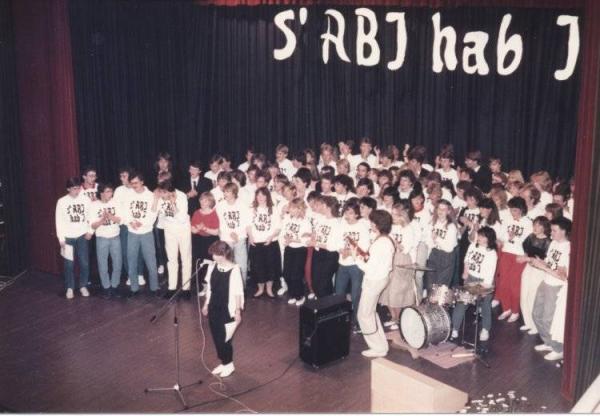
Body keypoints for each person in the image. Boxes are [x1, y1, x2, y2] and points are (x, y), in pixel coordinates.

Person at [353, 210, 395, 358]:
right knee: (370, 313)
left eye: (372, 222)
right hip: (378, 279)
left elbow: (369, 267)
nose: (370, 224)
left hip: (374, 280)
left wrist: (356, 258)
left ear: (377, 224)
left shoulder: (381, 243)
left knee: (364, 315)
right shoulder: (385, 239)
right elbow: (374, 261)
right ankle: (381, 345)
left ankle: (378, 348)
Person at [530, 217, 572, 361]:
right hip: (546, 281)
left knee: (548, 319)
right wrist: (540, 262)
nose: (551, 233)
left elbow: (562, 276)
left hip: (556, 286)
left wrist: (543, 267)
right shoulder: (553, 243)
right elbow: (550, 263)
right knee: (536, 314)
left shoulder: (568, 248)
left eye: (554, 230)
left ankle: (558, 349)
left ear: (564, 231)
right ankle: (548, 342)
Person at [202, 241, 245, 378]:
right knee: (216, 336)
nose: (213, 257)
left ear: (223, 254)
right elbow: (209, 288)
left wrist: (237, 311)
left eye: (216, 254)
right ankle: (224, 362)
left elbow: (238, 292)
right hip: (214, 305)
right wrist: (206, 304)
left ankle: (229, 364)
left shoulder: (235, 269)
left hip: (227, 308)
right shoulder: (212, 267)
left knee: (225, 338)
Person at [451, 226, 498, 341]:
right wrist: (465, 273)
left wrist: (484, 289)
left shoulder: (492, 253)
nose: (478, 238)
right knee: (462, 302)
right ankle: (455, 328)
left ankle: (485, 330)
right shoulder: (473, 246)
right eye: (479, 235)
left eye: (481, 236)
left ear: (488, 239)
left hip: (484, 281)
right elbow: (466, 259)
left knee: (485, 306)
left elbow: (490, 273)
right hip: (471, 278)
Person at [380, 203, 418, 330]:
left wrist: (393, 242)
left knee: (397, 291)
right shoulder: (391, 227)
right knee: (387, 290)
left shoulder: (409, 229)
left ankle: (399, 319)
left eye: (395, 215)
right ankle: (393, 317)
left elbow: (405, 249)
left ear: (402, 216)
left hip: (402, 260)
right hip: (390, 258)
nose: (392, 217)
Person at [495, 197, 533, 322]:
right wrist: (508, 237)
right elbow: (501, 236)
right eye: (511, 210)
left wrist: (514, 238)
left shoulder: (528, 223)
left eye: (515, 210)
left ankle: (515, 311)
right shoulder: (507, 219)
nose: (512, 213)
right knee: (503, 283)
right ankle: (506, 308)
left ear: (521, 209)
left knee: (514, 285)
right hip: (506, 252)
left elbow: (526, 241)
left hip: (519, 256)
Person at [153, 181, 192, 299]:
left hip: (183, 229)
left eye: (163, 193)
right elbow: (154, 211)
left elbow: (181, 218)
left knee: (185, 259)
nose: (161, 195)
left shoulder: (181, 196)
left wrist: (173, 203)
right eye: (160, 192)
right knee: (171, 259)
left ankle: (186, 288)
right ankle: (172, 288)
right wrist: (155, 199)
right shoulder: (161, 198)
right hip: (169, 229)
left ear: (170, 192)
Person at [123, 171, 160, 297]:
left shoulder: (150, 195)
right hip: (132, 232)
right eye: (132, 183)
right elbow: (125, 211)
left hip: (146, 233)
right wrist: (130, 222)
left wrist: (142, 223)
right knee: (132, 261)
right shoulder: (129, 195)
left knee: (151, 262)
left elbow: (154, 213)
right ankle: (134, 288)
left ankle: (154, 288)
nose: (134, 186)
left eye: (136, 183)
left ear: (142, 182)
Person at [55, 177, 93, 299]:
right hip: (68, 238)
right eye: (74, 189)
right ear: (68, 189)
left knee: (84, 263)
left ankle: (83, 285)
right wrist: (61, 238)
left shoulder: (86, 200)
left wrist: (90, 231)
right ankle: (70, 288)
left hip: (82, 236)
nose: (77, 191)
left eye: (78, 188)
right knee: (69, 265)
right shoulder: (62, 202)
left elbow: (91, 216)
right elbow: (59, 221)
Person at [335, 198, 370, 330]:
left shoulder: (362, 227)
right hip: (342, 264)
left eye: (350, 213)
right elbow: (336, 241)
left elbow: (364, 247)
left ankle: (356, 320)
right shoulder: (342, 225)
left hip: (356, 265)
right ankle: (340, 318)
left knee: (356, 295)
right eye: (346, 212)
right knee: (339, 293)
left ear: (356, 214)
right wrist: (341, 250)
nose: (347, 215)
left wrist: (349, 253)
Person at [518, 216, 551, 335]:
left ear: (544, 227)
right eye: (534, 225)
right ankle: (527, 322)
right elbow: (526, 249)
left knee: (533, 297)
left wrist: (528, 258)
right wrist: (525, 257)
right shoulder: (531, 237)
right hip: (529, 267)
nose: (535, 227)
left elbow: (546, 260)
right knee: (523, 296)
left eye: (538, 225)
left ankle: (535, 325)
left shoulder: (548, 242)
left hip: (539, 271)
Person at [247, 188, 282, 298]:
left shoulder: (273, 209)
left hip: (270, 243)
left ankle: (269, 289)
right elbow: (248, 225)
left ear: (267, 196)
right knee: (257, 267)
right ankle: (260, 289)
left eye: (263, 195)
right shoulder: (251, 209)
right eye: (258, 195)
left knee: (271, 267)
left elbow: (278, 227)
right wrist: (250, 236)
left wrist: (271, 237)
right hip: (256, 242)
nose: (260, 198)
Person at [90, 183, 122, 298]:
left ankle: (115, 286)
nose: (111, 194)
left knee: (117, 263)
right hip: (101, 238)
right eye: (108, 191)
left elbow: (121, 220)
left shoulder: (116, 203)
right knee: (102, 265)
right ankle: (106, 288)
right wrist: (102, 220)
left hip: (115, 237)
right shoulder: (94, 205)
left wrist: (110, 216)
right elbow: (93, 225)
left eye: (111, 191)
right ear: (101, 193)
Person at [216, 183, 251, 284]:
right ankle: (228, 286)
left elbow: (246, 222)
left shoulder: (242, 205)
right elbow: (221, 223)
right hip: (226, 238)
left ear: (234, 193)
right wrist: (230, 233)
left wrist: (237, 234)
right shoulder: (220, 205)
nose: (225, 194)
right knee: (227, 263)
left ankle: (242, 287)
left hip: (240, 238)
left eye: (227, 191)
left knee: (241, 264)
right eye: (224, 191)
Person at [309, 196, 343, 298]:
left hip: (329, 255)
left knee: (323, 283)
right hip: (318, 253)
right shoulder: (321, 219)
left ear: (327, 207)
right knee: (315, 282)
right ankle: (322, 302)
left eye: (321, 204)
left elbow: (333, 246)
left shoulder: (337, 223)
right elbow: (316, 234)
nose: (319, 207)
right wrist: (312, 237)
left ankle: (326, 304)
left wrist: (316, 244)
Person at [281, 198, 312, 305]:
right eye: (290, 208)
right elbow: (284, 232)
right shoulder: (288, 219)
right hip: (289, 248)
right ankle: (293, 294)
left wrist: (293, 240)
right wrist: (286, 239)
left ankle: (300, 296)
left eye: (293, 208)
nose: (290, 210)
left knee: (296, 275)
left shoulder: (305, 222)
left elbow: (305, 240)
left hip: (300, 250)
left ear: (299, 209)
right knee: (286, 274)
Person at [423, 200, 458, 292]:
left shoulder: (451, 227)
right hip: (434, 253)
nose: (441, 211)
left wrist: (436, 239)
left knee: (441, 287)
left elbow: (449, 248)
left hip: (446, 256)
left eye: (444, 209)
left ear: (448, 211)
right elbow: (428, 240)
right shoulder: (433, 222)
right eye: (439, 208)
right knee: (430, 284)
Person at [191, 192, 220, 296]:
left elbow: (216, 232)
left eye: (205, 200)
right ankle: (202, 286)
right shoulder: (196, 213)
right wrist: (197, 229)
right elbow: (193, 229)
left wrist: (204, 228)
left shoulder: (214, 213)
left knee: (210, 264)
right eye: (201, 200)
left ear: (210, 202)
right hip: (198, 241)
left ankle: (209, 286)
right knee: (200, 264)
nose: (202, 202)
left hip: (211, 241)